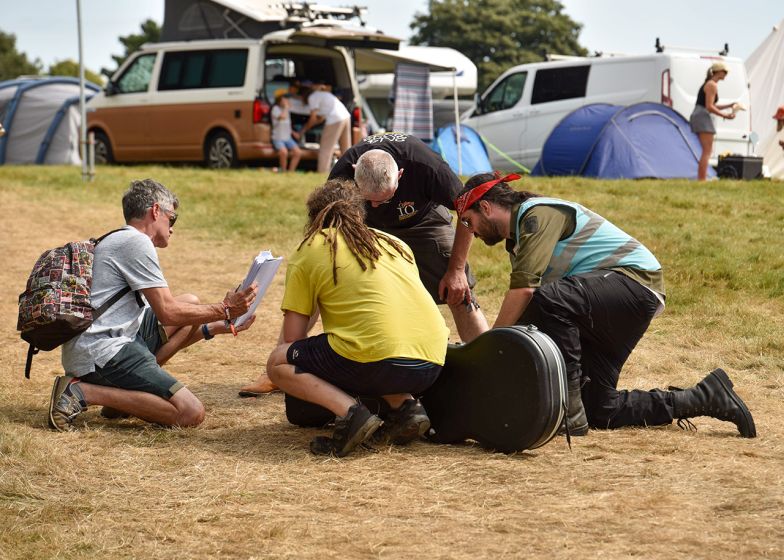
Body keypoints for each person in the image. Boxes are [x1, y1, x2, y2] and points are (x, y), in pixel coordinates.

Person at [453, 172, 756, 438]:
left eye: (469, 221)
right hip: (611, 306)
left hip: (635, 283)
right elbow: (532, 317)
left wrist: (489, 353)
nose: (472, 232)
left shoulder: (535, 215)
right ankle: (703, 397)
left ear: (487, 207)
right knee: (600, 409)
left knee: (549, 300)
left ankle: (569, 414)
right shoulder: (519, 239)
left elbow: (525, 291)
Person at [238, 132, 489, 396]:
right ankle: (281, 365)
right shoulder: (342, 172)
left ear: (401, 175)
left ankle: (489, 365)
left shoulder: (426, 164)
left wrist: (457, 269)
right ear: (354, 175)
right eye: (368, 200)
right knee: (324, 275)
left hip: (423, 223)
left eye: (384, 198)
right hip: (364, 228)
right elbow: (324, 231)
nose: (376, 205)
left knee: (458, 292)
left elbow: (467, 210)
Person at [49, 179, 258, 432]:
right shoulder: (136, 243)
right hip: (102, 352)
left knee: (191, 303)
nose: (172, 229)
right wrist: (226, 309)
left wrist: (213, 327)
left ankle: (122, 399)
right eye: (173, 219)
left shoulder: (119, 238)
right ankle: (81, 391)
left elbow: (176, 316)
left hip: (102, 342)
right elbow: (167, 312)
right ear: (156, 211)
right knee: (190, 412)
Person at [266, 179, 450, 457]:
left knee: (278, 361)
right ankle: (405, 408)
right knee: (370, 347)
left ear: (315, 217)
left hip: (374, 359)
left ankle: (351, 414)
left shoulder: (312, 248)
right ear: (360, 213)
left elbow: (292, 339)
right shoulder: (394, 242)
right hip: (432, 362)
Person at [689, 61, 737, 181]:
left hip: (699, 114)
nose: (726, 74)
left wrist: (729, 105)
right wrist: (725, 116)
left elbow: (711, 105)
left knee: (705, 150)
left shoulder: (709, 83)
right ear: (718, 72)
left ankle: (701, 178)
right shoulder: (712, 85)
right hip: (702, 116)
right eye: (724, 72)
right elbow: (709, 107)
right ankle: (702, 180)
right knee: (707, 151)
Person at [298, 82, 351, 173]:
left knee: (325, 150)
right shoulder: (322, 94)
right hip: (345, 116)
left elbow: (313, 118)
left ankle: (322, 174)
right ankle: (350, 173)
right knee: (346, 149)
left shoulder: (312, 97)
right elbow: (321, 118)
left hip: (335, 118)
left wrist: (302, 131)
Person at [270, 89, 302, 172]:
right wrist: (286, 107)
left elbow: (287, 124)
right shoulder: (275, 109)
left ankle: (291, 171)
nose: (287, 100)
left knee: (298, 152)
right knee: (283, 152)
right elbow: (282, 117)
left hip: (287, 138)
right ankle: (283, 171)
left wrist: (293, 132)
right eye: (285, 98)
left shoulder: (286, 110)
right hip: (278, 138)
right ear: (280, 99)